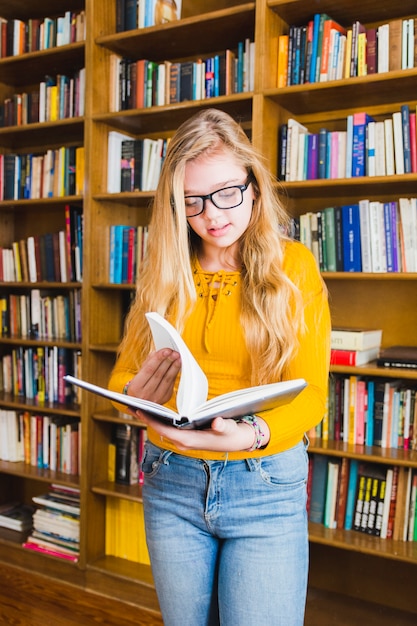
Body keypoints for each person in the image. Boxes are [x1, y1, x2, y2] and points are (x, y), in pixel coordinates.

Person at [108, 108, 331, 626]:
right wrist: (136, 397)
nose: (213, 214)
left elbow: (313, 394)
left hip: (264, 483)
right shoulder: (164, 270)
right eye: (192, 200)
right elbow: (125, 376)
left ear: (253, 186)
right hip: (172, 482)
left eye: (228, 192)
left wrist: (248, 436)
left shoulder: (292, 265)